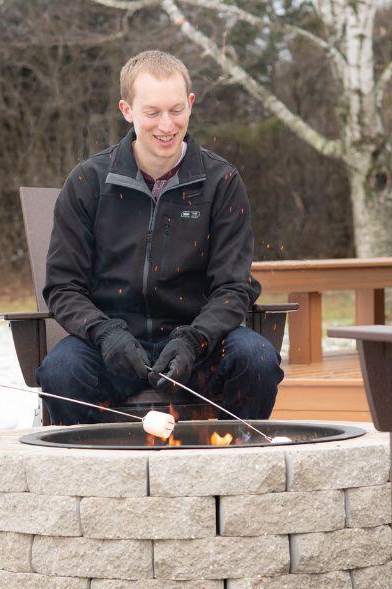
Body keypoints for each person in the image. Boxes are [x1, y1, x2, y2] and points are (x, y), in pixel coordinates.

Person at [36, 50, 283, 425]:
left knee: (258, 359)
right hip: (110, 348)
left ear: (191, 104)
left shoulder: (222, 183)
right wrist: (106, 334)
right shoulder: (88, 182)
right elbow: (62, 286)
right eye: (152, 112)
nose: (166, 125)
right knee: (60, 372)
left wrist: (193, 339)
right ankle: (96, 473)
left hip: (199, 347)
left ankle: (235, 468)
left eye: (176, 110)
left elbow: (234, 288)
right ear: (127, 110)